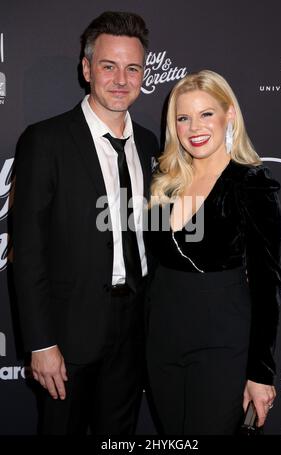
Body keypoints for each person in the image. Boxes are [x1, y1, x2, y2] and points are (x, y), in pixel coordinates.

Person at [13, 11, 159, 435]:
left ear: (142, 74)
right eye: (108, 66)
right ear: (86, 68)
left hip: (134, 330)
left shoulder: (149, 142)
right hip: (68, 333)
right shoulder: (46, 140)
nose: (120, 79)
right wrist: (41, 343)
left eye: (132, 68)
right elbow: (29, 249)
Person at [145, 70, 281, 435]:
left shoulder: (251, 184)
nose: (194, 127)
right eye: (183, 117)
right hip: (161, 341)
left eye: (207, 113)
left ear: (230, 116)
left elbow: (267, 285)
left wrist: (260, 373)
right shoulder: (164, 181)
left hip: (222, 345)